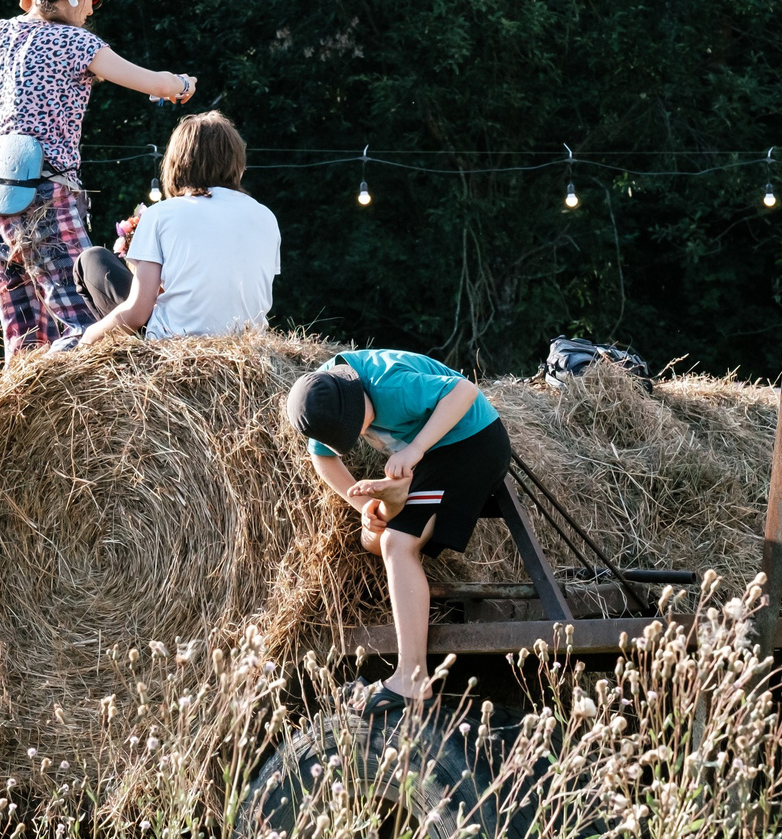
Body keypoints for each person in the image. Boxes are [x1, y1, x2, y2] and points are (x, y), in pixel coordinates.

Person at [0, 0, 199, 358]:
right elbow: (154, 83)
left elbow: (31, 4)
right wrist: (182, 84)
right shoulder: (78, 43)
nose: (92, 10)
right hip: (44, 197)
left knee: (24, 342)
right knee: (85, 324)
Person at [287, 352, 511, 703]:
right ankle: (393, 496)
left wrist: (416, 449)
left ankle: (412, 678)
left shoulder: (388, 383)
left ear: (355, 390)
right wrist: (364, 509)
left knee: (396, 543)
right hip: (432, 455)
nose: (361, 433)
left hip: (471, 440)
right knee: (374, 540)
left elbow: (465, 390)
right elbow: (322, 458)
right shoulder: (319, 398)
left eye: (358, 424)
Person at [76, 111, 280, 345]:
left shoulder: (162, 214)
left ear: (177, 163)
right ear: (237, 163)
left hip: (173, 347)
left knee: (92, 259)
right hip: (245, 347)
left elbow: (137, 312)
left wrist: (87, 339)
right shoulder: (266, 216)